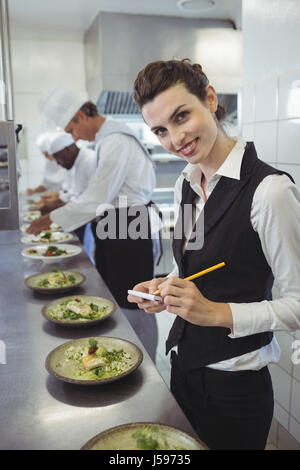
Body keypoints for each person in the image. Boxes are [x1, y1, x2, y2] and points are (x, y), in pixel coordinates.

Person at [128, 59, 300, 450]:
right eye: (160, 130)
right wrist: (166, 287)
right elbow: (191, 267)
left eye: (181, 116)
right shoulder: (185, 184)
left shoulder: (270, 191)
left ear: (209, 98)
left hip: (237, 388)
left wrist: (216, 313)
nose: (174, 139)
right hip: (183, 370)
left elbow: (297, 305)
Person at [26, 87, 158, 362]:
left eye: (71, 130)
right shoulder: (105, 141)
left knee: (134, 301)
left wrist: (49, 218)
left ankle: (146, 363)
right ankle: (120, 352)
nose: (74, 137)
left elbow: (96, 198)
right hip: (115, 227)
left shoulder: (116, 141)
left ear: (80, 116)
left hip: (128, 229)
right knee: (115, 297)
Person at [37, 130, 97, 244]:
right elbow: (76, 193)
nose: (58, 164)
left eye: (58, 158)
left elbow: (91, 202)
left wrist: (53, 214)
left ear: (68, 150)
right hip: (85, 217)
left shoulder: (89, 160)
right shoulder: (75, 162)